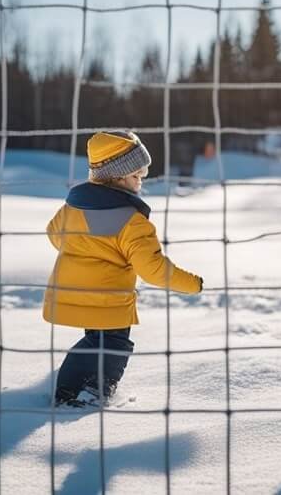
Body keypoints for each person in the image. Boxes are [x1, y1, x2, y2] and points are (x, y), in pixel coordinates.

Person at [43, 130, 203, 406]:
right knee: (113, 345)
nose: (141, 181)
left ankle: (71, 390)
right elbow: (152, 268)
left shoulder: (73, 207)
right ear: (116, 176)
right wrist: (191, 283)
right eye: (136, 175)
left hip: (74, 293)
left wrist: (83, 253)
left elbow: (54, 234)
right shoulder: (131, 220)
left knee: (96, 342)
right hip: (111, 299)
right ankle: (89, 391)